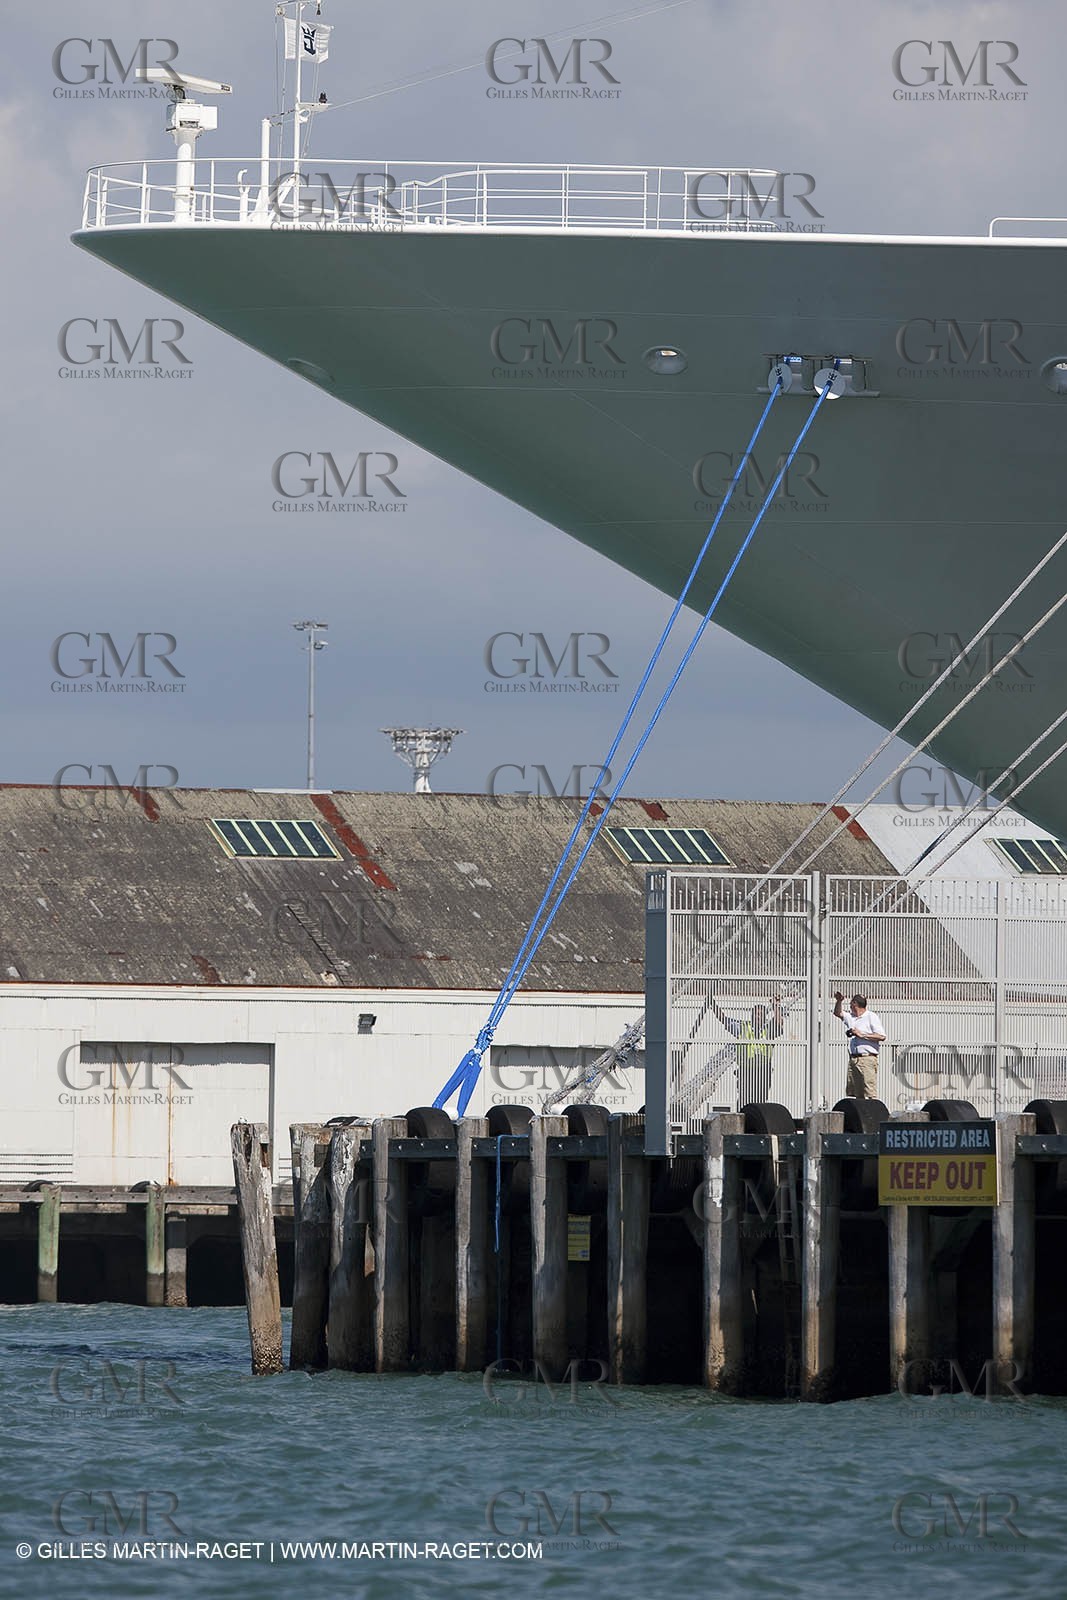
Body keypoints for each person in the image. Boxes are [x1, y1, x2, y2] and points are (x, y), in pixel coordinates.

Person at [709, 988, 783, 1106]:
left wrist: (776, 1006)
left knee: (760, 1101)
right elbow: (724, 1019)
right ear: (752, 1015)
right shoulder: (743, 1027)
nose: (758, 1016)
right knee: (744, 1100)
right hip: (745, 1071)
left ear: (765, 1016)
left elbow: (779, 1023)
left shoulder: (769, 1029)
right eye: (756, 1014)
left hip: (763, 1071)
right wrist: (712, 1004)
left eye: (761, 1014)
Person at [833, 992, 886, 1100]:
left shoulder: (871, 1016)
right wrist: (839, 1001)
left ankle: (873, 1109)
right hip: (854, 1059)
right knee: (857, 1093)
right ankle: (860, 1110)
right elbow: (838, 1013)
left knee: (869, 1091)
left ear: (855, 1004)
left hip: (867, 1058)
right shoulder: (851, 1017)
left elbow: (881, 1036)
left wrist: (862, 1035)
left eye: (851, 1003)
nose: (850, 1006)